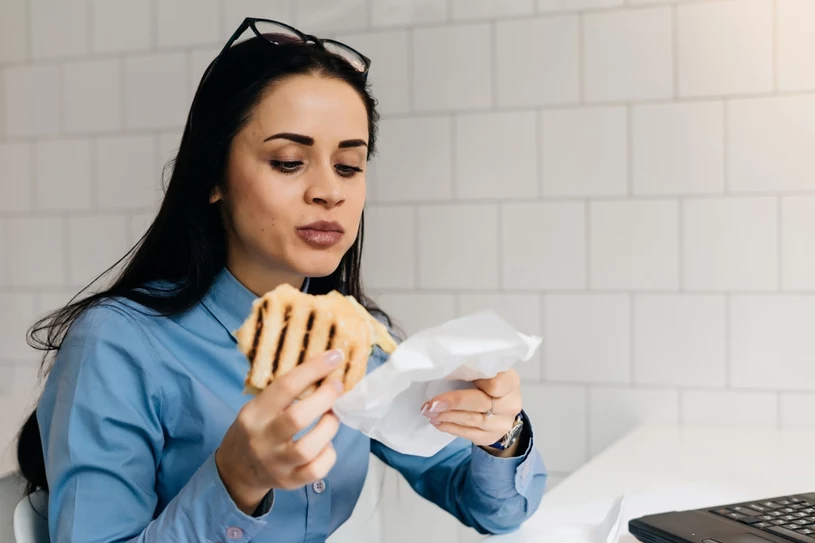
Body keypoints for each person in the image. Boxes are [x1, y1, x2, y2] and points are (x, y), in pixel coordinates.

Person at [15, 18, 547, 542]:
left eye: (348, 166)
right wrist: (236, 480)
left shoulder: (358, 337)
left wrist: (501, 435)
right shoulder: (118, 344)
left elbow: (493, 511)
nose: (329, 192)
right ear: (213, 178)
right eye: (289, 161)